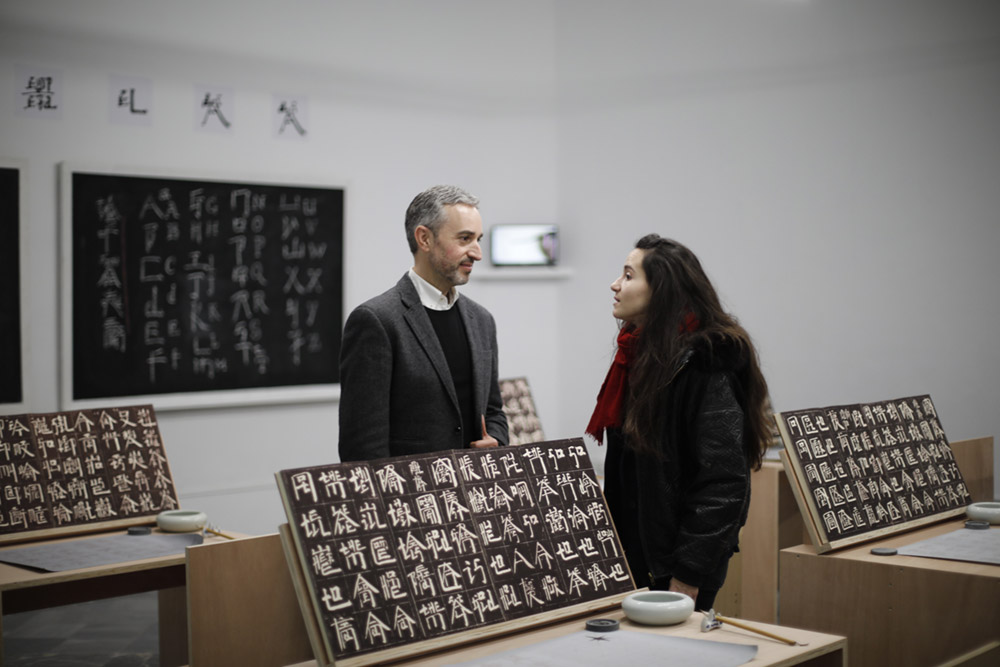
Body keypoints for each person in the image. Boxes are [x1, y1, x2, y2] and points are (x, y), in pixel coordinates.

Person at [586, 234, 771, 611]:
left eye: (628, 275)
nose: (615, 284)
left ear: (662, 290)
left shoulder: (705, 362)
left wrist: (688, 573)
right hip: (640, 550)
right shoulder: (641, 354)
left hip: (675, 563)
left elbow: (724, 483)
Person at [338, 185, 509, 461]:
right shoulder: (376, 321)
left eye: (478, 239)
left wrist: (497, 441)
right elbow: (362, 444)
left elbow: (493, 411)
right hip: (411, 497)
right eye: (465, 239)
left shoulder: (482, 320)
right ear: (424, 239)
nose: (477, 253)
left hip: (476, 492)